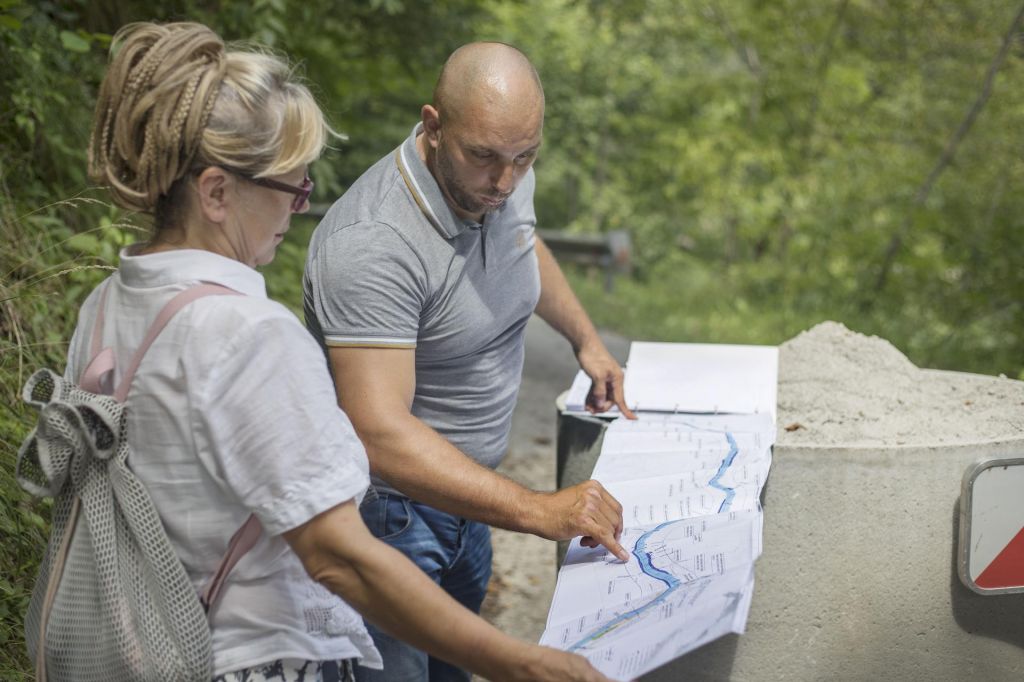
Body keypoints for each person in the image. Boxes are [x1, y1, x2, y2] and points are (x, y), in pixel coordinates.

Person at [74, 22, 610, 682]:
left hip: (136, 639)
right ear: (217, 192)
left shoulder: (104, 307)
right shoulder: (253, 337)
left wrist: (585, 337)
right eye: (292, 187)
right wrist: (523, 663)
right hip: (237, 657)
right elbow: (342, 558)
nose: (300, 208)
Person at [303, 42, 637, 682]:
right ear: (433, 126)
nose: (506, 181)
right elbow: (376, 434)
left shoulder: (501, 174)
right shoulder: (373, 243)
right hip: (387, 518)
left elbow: (521, 242)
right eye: (484, 156)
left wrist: (585, 339)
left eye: (524, 157)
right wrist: (540, 510)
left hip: (469, 502)